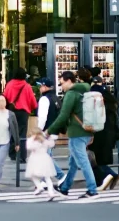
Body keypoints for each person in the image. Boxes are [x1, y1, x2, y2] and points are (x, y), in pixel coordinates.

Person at [46, 70, 99, 199]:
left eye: (62, 83)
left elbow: (63, 115)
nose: (61, 86)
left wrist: (50, 130)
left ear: (69, 81)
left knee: (82, 161)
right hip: (87, 129)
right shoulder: (86, 89)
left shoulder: (71, 94)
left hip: (76, 131)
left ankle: (92, 190)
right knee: (74, 162)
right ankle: (65, 187)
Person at [88, 80, 119, 190]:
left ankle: (105, 177)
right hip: (109, 134)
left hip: (99, 135)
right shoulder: (111, 104)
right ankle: (109, 176)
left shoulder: (100, 106)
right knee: (97, 159)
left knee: (94, 160)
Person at [3, 67, 36, 162]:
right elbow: (33, 102)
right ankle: (22, 156)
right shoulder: (27, 86)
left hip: (11, 112)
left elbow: (5, 99)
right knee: (22, 134)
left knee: (12, 132)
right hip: (23, 112)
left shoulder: (9, 85)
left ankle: (12, 154)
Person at [36, 77, 65, 184]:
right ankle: (43, 180)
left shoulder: (44, 99)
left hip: (46, 132)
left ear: (44, 86)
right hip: (54, 131)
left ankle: (61, 176)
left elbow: (42, 118)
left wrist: (38, 131)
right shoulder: (55, 98)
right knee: (45, 155)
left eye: (41, 86)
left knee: (45, 157)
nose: (39, 88)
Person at [26, 130, 56, 197]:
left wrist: (32, 139)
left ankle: (39, 187)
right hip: (45, 157)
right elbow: (51, 144)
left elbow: (29, 147)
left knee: (32, 175)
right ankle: (51, 192)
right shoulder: (44, 140)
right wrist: (50, 138)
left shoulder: (33, 140)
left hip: (35, 158)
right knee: (47, 177)